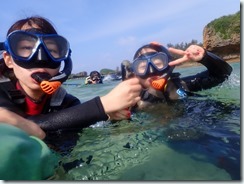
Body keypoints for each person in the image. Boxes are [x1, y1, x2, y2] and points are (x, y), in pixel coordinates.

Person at [0, 16, 141, 139]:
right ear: (9, 60)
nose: (41, 59)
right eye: (26, 48)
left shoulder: (67, 103)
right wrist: (102, 106)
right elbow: (21, 124)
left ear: (63, 59)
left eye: (52, 50)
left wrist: (111, 118)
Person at [121, 42, 232, 110]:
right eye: (143, 66)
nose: (151, 70)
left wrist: (205, 57)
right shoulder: (135, 104)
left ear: (169, 65)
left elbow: (223, 74)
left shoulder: (183, 85)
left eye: (158, 63)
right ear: (136, 74)